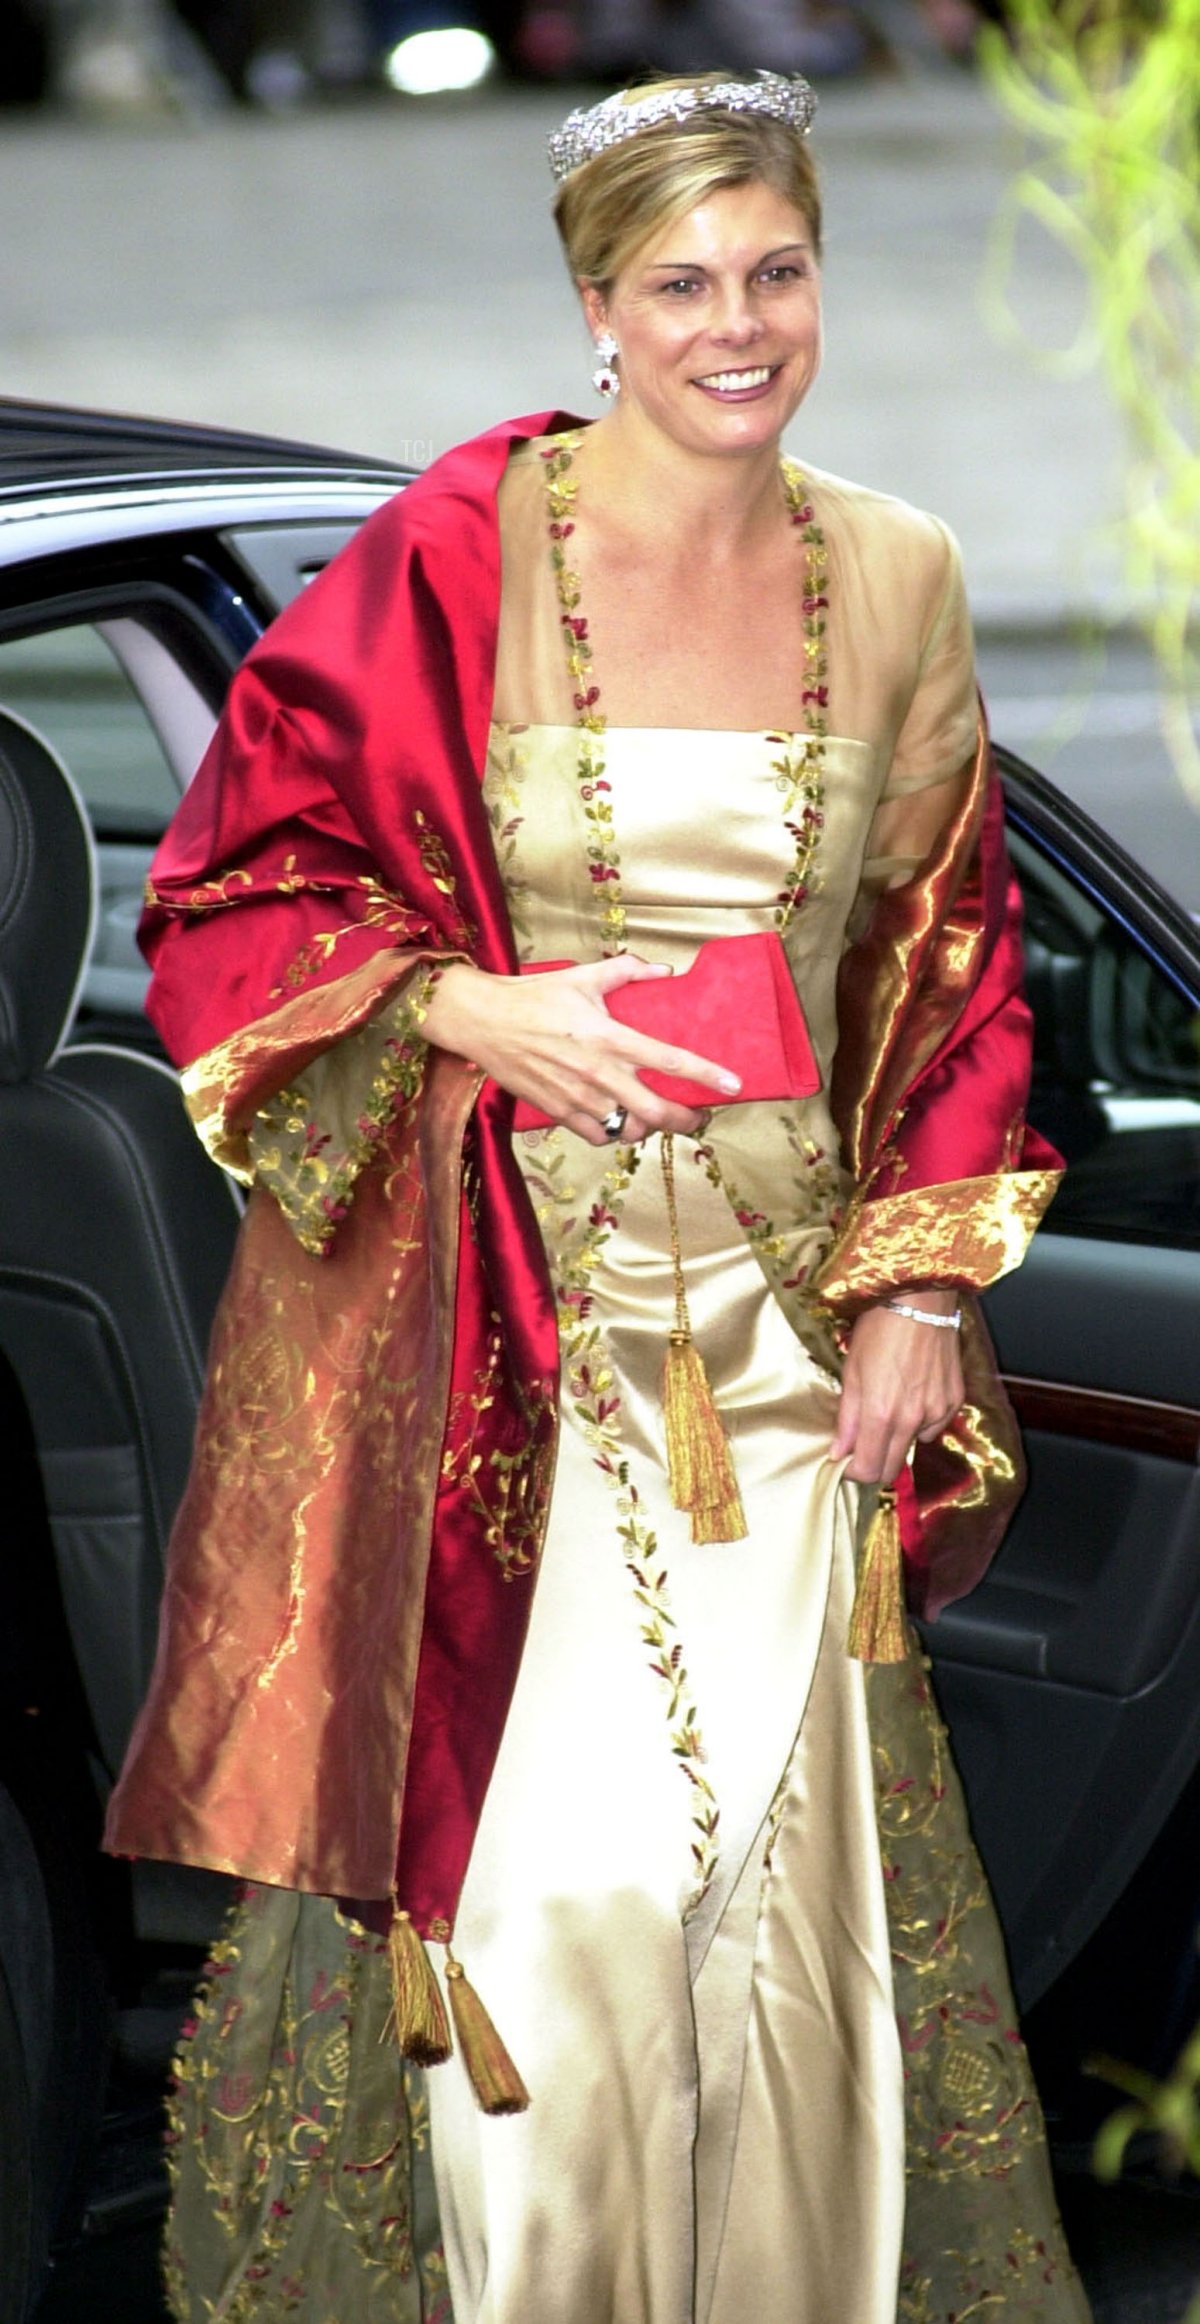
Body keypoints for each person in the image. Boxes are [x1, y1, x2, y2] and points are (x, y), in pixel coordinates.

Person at [105, 68, 1092, 2324]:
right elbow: (228, 898)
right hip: (496, 1343)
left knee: (779, 1908)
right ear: (597, 308)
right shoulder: (459, 554)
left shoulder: (905, 572)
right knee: (563, 1919)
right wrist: (469, 1010)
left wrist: (925, 1293)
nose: (737, 327)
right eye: (682, 285)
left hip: (785, 1349)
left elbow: (954, 961)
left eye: (777, 273)